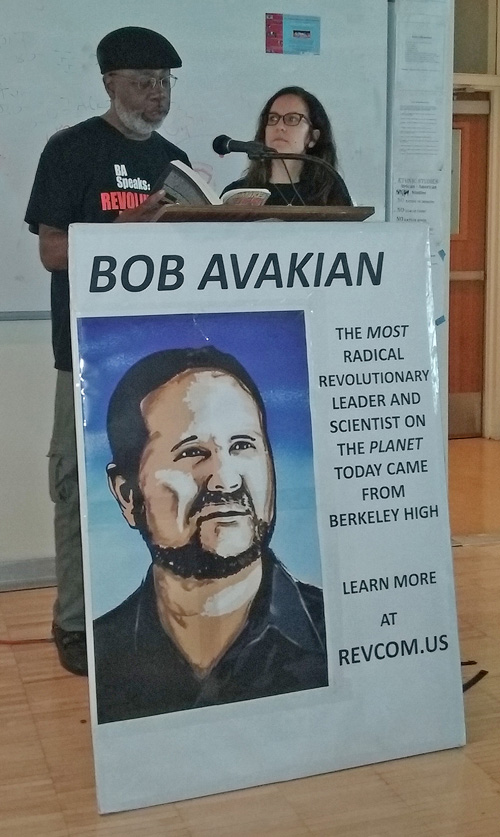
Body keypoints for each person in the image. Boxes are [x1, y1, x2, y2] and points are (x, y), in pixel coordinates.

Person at [25, 27, 191, 677]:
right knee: (75, 485)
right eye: (143, 81)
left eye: (166, 82)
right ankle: (73, 621)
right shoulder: (70, 151)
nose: (157, 94)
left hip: (161, 351)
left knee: (161, 488)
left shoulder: (176, 163)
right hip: (88, 351)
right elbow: (53, 251)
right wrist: (118, 234)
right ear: (109, 84)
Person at [93, 346, 328, 723]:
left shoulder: (337, 631)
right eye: (191, 452)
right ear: (126, 493)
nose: (225, 478)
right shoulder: (102, 651)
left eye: (242, 446)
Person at [221, 85, 352, 207]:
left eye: (292, 119)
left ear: (312, 137)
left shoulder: (330, 191)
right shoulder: (237, 194)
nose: (279, 127)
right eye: (273, 118)